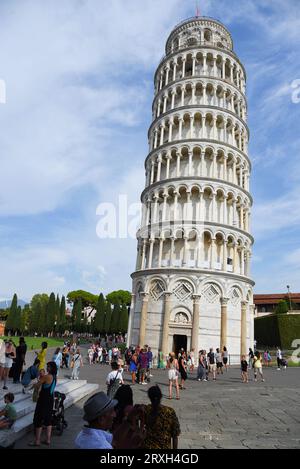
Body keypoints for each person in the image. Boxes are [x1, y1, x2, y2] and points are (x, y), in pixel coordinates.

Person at [75, 392, 145, 449]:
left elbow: (114, 440)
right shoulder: (101, 446)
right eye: (111, 411)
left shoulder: (82, 435)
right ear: (101, 419)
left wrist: (129, 419)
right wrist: (133, 445)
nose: (115, 415)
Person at [29, 361, 57, 446]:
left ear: (52, 368)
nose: (47, 368)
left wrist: (37, 381)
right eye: (47, 366)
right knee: (48, 420)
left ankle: (37, 441)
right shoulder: (55, 377)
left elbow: (37, 385)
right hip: (50, 400)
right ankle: (48, 440)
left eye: (48, 367)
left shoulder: (46, 376)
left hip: (43, 400)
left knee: (38, 419)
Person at [144, 385, 180, 449]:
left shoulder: (146, 410)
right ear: (161, 396)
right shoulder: (169, 411)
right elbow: (175, 436)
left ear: (149, 397)